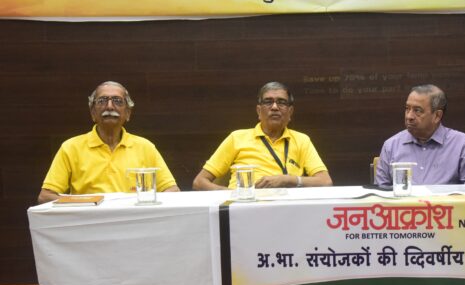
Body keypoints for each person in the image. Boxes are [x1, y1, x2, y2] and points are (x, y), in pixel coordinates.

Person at [37, 81, 180, 204]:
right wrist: (88, 204)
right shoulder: (71, 148)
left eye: (117, 101)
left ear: (128, 113)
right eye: (102, 101)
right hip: (89, 222)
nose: (110, 106)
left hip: (133, 222)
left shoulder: (145, 147)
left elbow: (172, 191)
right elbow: (45, 196)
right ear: (93, 112)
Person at [192, 81, 332, 190]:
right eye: (268, 102)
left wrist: (287, 179)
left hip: (287, 208)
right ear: (259, 111)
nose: (275, 107)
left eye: (281, 102)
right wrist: (233, 194)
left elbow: (325, 182)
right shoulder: (237, 138)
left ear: (290, 112)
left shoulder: (302, 140)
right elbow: (199, 182)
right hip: (244, 206)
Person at [375, 84, 465, 187]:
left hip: (446, 204)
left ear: (437, 116)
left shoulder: (462, 144)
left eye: (417, 110)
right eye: (407, 109)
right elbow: (379, 192)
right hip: (405, 204)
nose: (409, 116)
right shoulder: (391, 146)